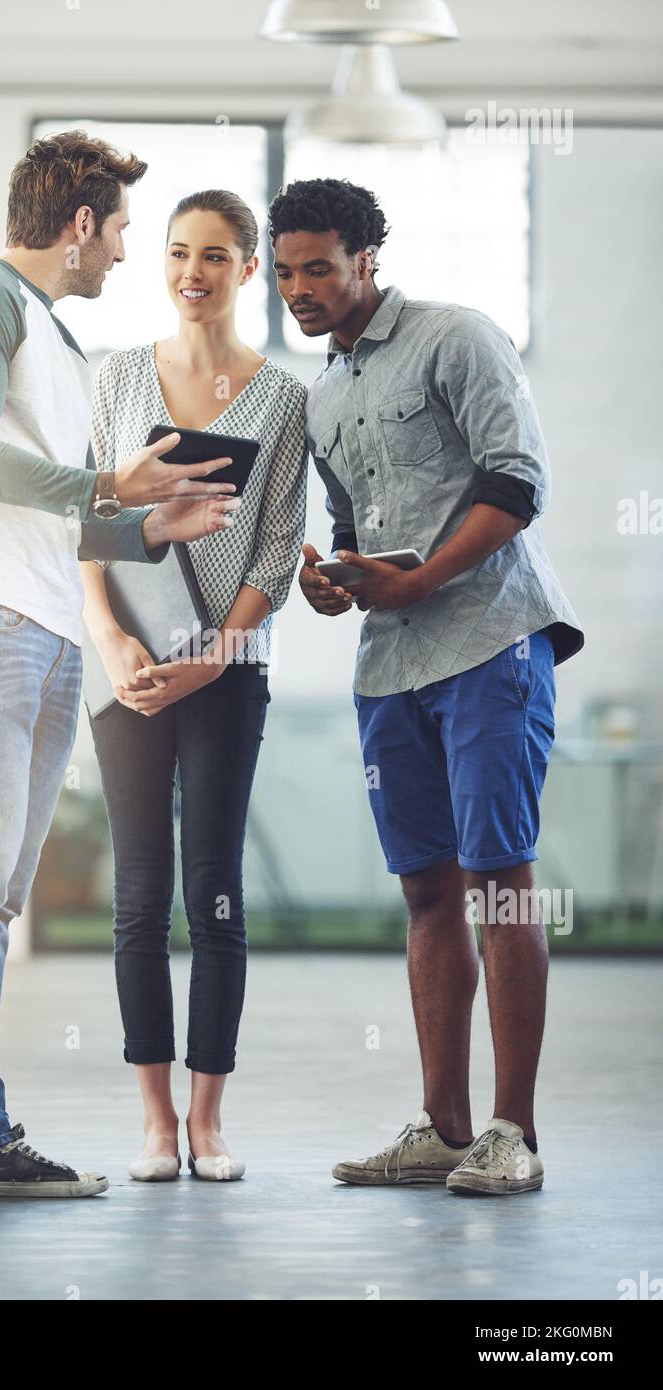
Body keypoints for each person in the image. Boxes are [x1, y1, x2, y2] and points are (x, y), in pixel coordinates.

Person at [0, 131, 241, 1214]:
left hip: (41, 627)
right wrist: (109, 482)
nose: (130, 253)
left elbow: (61, 515)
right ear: (81, 224)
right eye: (127, 229)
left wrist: (147, 523)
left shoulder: (52, 337)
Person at [270, 177, 584, 1195]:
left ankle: (512, 1132)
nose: (300, 288)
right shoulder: (322, 397)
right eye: (284, 273)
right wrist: (337, 581)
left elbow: (513, 481)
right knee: (426, 888)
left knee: (499, 877)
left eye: (318, 266)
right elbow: (358, 530)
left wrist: (418, 579)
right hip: (392, 665)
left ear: (366, 257)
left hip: (491, 642)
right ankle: (445, 1128)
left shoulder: (458, 336)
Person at [80, 189, 308, 1182]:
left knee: (213, 889)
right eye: (177, 251)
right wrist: (107, 640)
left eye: (216, 254)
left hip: (224, 669)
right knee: (138, 897)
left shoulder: (283, 398)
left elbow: (277, 542)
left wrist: (219, 649)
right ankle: (152, 1122)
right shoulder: (116, 376)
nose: (191, 271)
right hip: (128, 667)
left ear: (247, 268)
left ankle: (209, 1119)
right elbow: (83, 517)